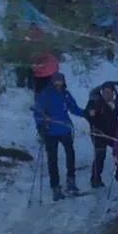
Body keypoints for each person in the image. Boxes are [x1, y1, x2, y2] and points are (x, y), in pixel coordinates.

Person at [32, 72, 87, 200]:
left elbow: (74, 108)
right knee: (52, 159)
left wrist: (86, 114)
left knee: (70, 155)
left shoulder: (65, 94)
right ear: (52, 82)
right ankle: (55, 186)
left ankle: (71, 180)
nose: (58, 84)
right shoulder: (45, 94)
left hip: (65, 129)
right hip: (50, 132)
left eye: (60, 81)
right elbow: (37, 112)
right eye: (56, 81)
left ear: (63, 82)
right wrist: (40, 126)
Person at [85, 81, 118, 189]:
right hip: (98, 133)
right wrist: (90, 113)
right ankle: (95, 179)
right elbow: (88, 114)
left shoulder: (116, 100)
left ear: (113, 92)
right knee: (100, 155)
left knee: (117, 150)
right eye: (104, 92)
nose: (106, 94)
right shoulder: (96, 101)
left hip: (113, 131)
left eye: (108, 92)